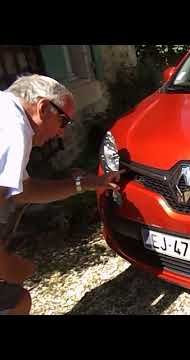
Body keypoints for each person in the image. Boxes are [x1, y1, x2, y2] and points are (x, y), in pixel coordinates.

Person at [0, 74, 124, 315]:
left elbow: (23, 191)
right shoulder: (15, 129)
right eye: (64, 121)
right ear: (44, 108)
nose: (61, 133)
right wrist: (7, 264)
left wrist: (84, 184)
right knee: (18, 302)